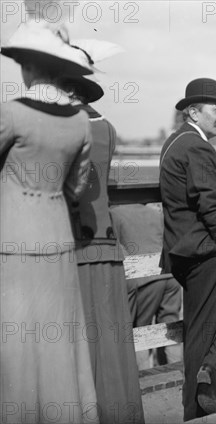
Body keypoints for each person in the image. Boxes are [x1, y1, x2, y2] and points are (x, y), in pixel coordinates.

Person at [0, 21, 98, 423]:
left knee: (17, 342)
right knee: (60, 340)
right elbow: (76, 188)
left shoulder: (11, 114)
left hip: (14, 238)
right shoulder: (79, 121)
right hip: (57, 238)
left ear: (27, 67)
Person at [59, 41, 145, 423]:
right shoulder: (105, 128)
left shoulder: (63, 128)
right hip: (107, 246)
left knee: (78, 341)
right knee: (113, 343)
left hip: (74, 246)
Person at [159, 78, 216, 420]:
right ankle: (195, 409)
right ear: (193, 111)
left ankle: (207, 375)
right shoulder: (198, 147)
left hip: (182, 252)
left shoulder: (173, 142)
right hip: (207, 252)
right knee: (205, 332)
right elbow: (211, 204)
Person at [110, 203, 183, 369]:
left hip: (144, 279)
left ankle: (143, 381)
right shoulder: (155, 213)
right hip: (169, 275)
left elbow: (117, 249)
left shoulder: (114, 213)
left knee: (139, 331)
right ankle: (176, 373)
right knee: (171, 328)